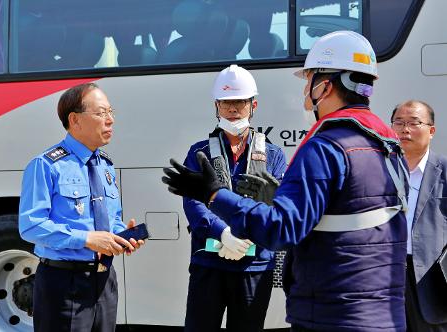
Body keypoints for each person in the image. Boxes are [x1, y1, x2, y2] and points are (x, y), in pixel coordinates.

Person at [162, 31, 409, 331]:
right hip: (381, 312)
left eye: (309, 80)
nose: (306, 90)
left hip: (331, 309)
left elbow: (283, 226)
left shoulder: (324, 147)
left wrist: (215, 196)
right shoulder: (388, 145)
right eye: (226, 102)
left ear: (326, 85)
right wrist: (224, 231)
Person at [19, 82, 144, 332]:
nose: (110, 120)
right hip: (65, 284)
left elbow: (110, 219)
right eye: (101, 113)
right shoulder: (46, 165)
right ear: (75, 120)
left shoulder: (105, 166)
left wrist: (122, 236)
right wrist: (86, 239)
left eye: (111, 112)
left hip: (104, 281)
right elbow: (30, 226)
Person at [181, 64, 287, 332]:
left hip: (254, 267)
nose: (233, 108)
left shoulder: (273, 155)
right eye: (226, 102)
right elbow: (193, 202)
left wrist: (244, 235)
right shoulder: (199, 152)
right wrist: (223, 233)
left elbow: (275, 205)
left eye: (240, 101)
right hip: (208, 263)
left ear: (254, 105)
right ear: (216, 106)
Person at [390, 100, 447, 332]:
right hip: (386, 275)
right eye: (399, 123)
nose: (405, 129)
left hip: (431, 280)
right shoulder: (383, 168)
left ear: (431, 130)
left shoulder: (443, 169)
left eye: (414, 123)